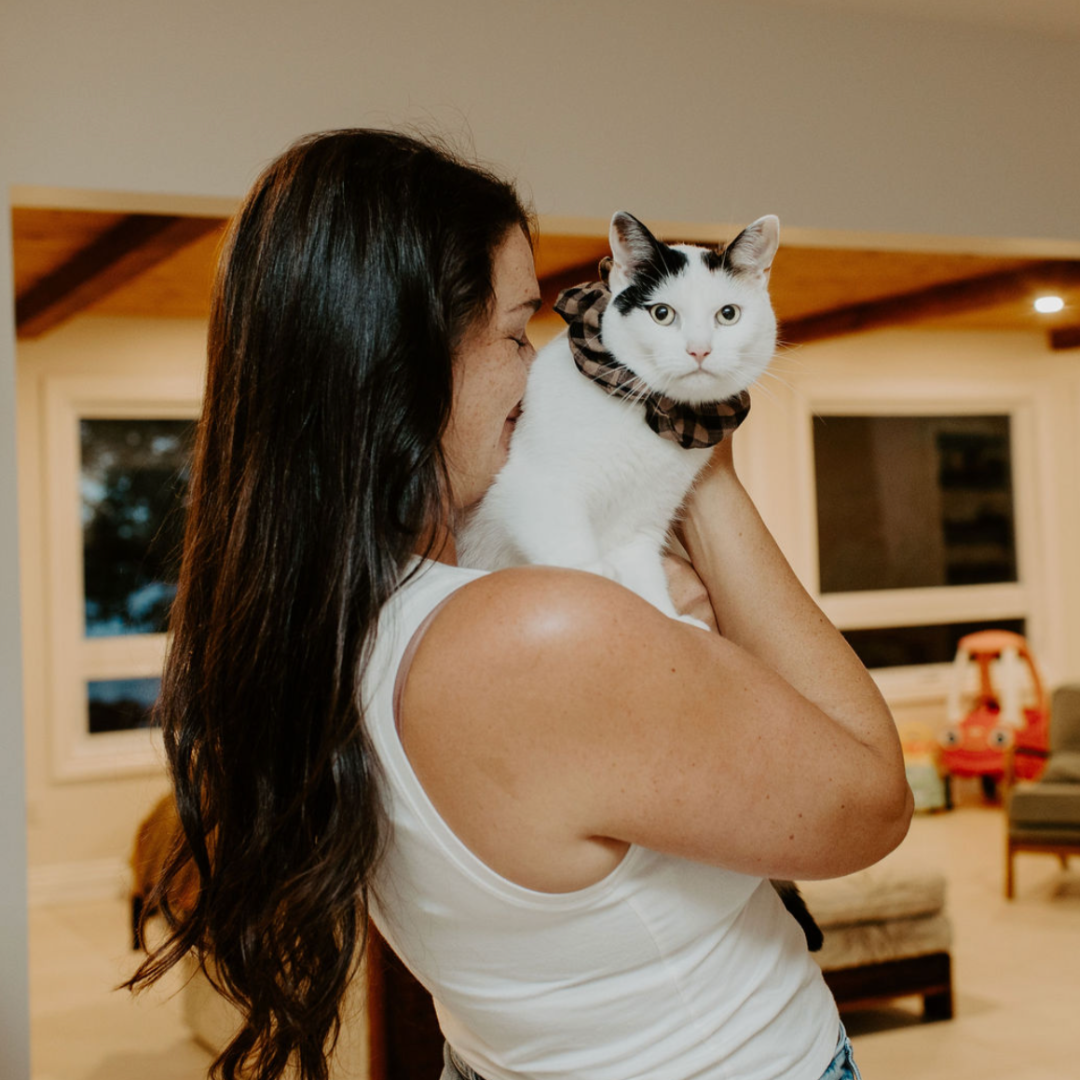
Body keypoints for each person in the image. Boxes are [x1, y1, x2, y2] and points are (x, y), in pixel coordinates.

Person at [129, 129, 913, 1080]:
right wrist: (703, 461)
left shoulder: (336, 625)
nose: (540, 367)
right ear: (407, 367)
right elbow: (872, 801)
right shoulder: (540, 630)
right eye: (515, 332)